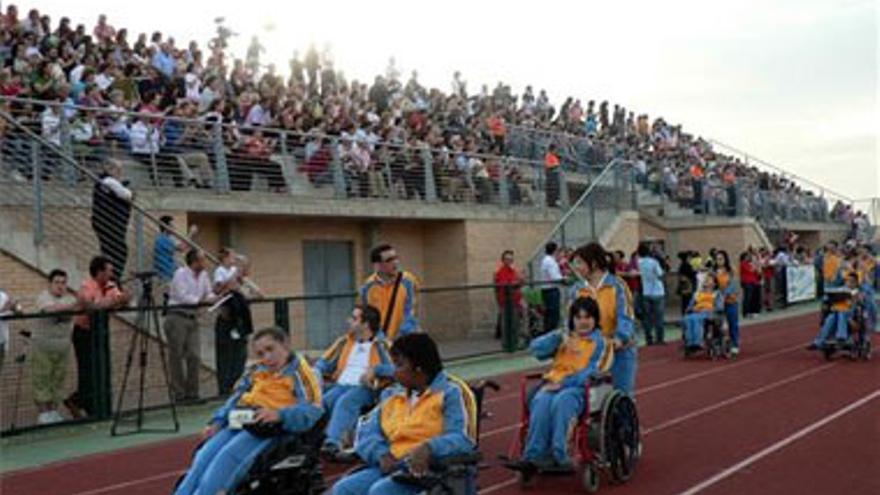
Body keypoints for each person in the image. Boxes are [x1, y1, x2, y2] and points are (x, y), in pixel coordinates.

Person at [173, 327, 324, 495]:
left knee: (226, 458)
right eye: (260, 354)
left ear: (285, 345)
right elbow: (235, 398)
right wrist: (217, 422)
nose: (267, 357)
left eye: (270, 349)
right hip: (242, 420)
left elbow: (312, 409)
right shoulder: (255, 370)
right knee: (204, 456)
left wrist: (279, 414)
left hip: (271, 428)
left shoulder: (301, 373)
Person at [331, 333, 474, 495]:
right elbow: (367, 431)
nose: (393, 372)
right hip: (392, 465)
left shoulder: (452, 392)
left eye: (399, 365)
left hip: (431, 470)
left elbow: (464, 439)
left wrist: (429, 448)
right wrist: (381, 454)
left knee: (380, 491)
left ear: (419, 369)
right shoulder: (392, 394)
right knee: (343, 489)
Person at [505, 298, 613, 474]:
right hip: (553, 384)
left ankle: (560, 455)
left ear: (595, 319)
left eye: (588, 317)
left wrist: (564, 384)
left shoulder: (602, 343)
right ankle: (533, 456)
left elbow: (595, 370)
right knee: (540, 402)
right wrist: (557, 336)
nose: (583, 322)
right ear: (572, 320)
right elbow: (536, 349)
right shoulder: (565, 338)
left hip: (581, 389)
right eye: (578, 318)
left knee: (562, 401)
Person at [316, 305, 393, 459]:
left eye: (354, 318)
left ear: (366, 323)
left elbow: (395, 369)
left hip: (365, 388)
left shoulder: (382, 345)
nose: (348, 321)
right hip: (340, 385)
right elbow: (324, 363)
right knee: (324, 400)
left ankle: (334, 442)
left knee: (346, 401)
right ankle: (313, 439)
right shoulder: (343, 342)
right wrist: (315, 373)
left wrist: (376, 370)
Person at [569, 243, 638, 394]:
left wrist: (620, 338)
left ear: (593, 263)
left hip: (618, 351)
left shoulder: (617, 286)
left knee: (622, 395)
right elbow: (570, 320)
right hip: (588, 350)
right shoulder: (576, 290)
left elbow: (626, 316)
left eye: (580, 262)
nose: (576, 267)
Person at [67, 256, 131, 418]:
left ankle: (95, 407)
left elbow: (121, 300)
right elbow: (92, 306)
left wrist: (123, 299)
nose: (112, 273)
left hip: (100, 331)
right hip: (84, 332)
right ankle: (78, 402)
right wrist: (112, 301)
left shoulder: (111, 285)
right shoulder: (87, 286)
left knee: (102, 368)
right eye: (109, 270)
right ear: (99, 272)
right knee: (87, 370)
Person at [165, 250, 216, 402]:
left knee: (194, 355)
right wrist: (201, 301)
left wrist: (216, 297)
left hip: (193, 316)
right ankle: (178, 394)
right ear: (195, 262)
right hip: (177, 315)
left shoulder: (204, 275)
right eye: (202, 260)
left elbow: (208, 293)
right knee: (176, 355)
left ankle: (192, 393)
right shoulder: (180, 274)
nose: (205, 263)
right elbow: (182, 296)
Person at [33, 269, 78, 424]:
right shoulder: (43, 297)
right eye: (57, 282)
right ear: (50, 284)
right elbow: (50, 310)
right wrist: (72, 306)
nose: (60, 286)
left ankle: (53, 411)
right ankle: (43, 413)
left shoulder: (70, 299)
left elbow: (77, 309)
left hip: (62, 347)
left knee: (58, 379)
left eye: (63, 283)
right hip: (43, 346)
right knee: (42, 378)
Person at [214, 247, 255, 395]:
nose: (233, 259)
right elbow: (221, 288)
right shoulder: (220, 271)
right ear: (224, 258)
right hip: (228, 315)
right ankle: (225, 387)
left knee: (240, 353)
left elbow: (244, 273)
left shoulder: (233, 270)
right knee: (228, 354)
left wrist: (244, 262)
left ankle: (236, 383)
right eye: (231, 256)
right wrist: (233, 278)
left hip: (239, 316)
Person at [359, 244, 419, 340]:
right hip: (380, 342)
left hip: (404, 339)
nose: (395, 262)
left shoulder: (408, 280)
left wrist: (407, 330)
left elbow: (410, 309)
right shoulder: (367, 287)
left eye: (396, 258)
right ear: (377, 265)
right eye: (389, 260)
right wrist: (378, 337)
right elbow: (368, 316)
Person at [90, 160, 133, 279]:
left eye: (120, 170)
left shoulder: (109, 182)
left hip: (110, 223)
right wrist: (129, 193)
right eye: (117, 170)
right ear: (108, 169)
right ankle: (112, 278)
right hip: (108, 223)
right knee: (118, 252)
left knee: (114, 252)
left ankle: (112, 277)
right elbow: (127, 195)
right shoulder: (108, 181)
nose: (120, 173)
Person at [808, 271, 860, 350]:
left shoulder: (857, 292)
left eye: (851, 281)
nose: (848, 283)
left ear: (855, 283)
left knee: (841, 313)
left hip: (849, 315)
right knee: (831, 318)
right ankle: (818, 342)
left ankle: (841, 336)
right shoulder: (841, 289)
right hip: (837, 312)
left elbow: (858, 306)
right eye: (847, 281)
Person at [683, 272, 723, 351]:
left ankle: (697, 342)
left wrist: (710, 309)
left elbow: (720, 307)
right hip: (697, 312)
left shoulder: (717, 294)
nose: (706, 281)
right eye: (705, 279)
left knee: (696, 319)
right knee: (687, 319)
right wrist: (692, 309)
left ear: (714, 283)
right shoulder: (697, 294)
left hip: (709, 313)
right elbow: (689, 306)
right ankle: (690, 342)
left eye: (709, 280)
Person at [637, 244, 666, 345]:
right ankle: (660, 339)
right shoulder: (654, 262)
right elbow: (660, 275)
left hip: (646, 291)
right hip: (658, 291)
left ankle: (649, 339)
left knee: (647, 318)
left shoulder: (639, 262)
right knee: (659, 317)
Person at [714, 250, 741, 356]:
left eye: (721, 259)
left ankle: (735, 344)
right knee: (717, 324)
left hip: (730, 300)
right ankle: (719, 343)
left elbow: (733, 285)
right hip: (718, 302)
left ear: (725, 259)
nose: (719, 261)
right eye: (717, 259)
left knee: (732, 323)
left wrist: (725, 293)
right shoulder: (713, 272)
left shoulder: (731, 271)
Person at [494, 250, 524, 339]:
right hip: (506, 300)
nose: (509, 261)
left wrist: (519, 279)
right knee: (507, 322)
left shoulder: (514, 270)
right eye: (507, 259)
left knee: (516, 320)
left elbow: (521, 281)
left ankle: (515, 338)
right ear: (503, 260)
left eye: (511, 259)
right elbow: (503, 285)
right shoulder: (499, 272)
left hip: (516, 299)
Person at [539, 242, 563, 335]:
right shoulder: (550, 261)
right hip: (551, 290)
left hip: (547, 290)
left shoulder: (547, 260)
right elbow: (555, 277)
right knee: (553, 315)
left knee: (549, 314)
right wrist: (564, 279)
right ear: (555, 250)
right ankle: (551, 335)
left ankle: (548, 333)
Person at [739, 251, 761, 318]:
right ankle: (746, 312)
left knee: (753, 298)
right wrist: (755, 265)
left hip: (753, 282)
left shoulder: (750, 263)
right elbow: (751, 270)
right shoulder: (743, 263)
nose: (749, 257)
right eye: (747, 256)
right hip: (747, 282)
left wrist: (756, 267)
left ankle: (752, 311)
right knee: (747, 298)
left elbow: (757, 273)